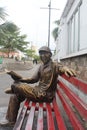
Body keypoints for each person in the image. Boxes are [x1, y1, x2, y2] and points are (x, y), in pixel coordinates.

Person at [0, 46, 76, 126]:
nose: (42, 56)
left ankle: (14, 88)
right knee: (14, 95)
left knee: (15, 85)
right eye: (40, 54)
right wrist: (16, 76)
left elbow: (61, 67)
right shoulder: (41, 66)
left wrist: (66, 69)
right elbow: (33, 79)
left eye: (44, 53)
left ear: (50, 54)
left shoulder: (54, 65)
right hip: (37, 91)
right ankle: (11, 121)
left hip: (44, 94)